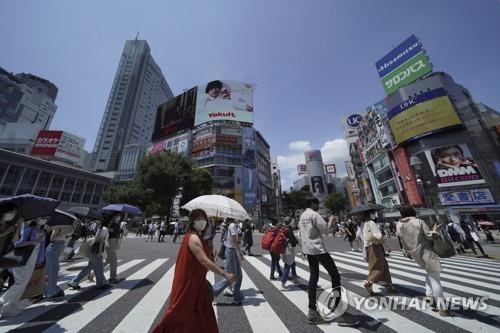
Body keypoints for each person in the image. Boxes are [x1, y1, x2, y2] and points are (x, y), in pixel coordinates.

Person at [152, 209, 236, 333]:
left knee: (202, 314)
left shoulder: (200, 238)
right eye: (198, 219)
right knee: (180, 313)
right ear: (192, 222)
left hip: (198, 283)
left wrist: (211, 254)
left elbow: (205, 259)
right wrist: (225, 274)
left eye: (203, 218)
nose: (201, 221)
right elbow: (203, 260)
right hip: (189, 283)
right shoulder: (193, 238)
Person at [298, 196, 359, 326]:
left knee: (313, 277)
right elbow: (326, 230)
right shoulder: (314, 215)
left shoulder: (302, 216)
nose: (318, 205)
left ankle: (312, 311)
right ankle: (338, 311)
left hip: (308, 249)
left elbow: (300, 233)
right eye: (317, 203)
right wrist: (331, 221)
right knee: (335, 275)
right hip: (318, 249)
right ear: (312, 203)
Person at [397, 206, 450, 317]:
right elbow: (430, 237)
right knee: (435, 279)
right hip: (427, 252)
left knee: (430, 274)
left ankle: (429, 296)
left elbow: (402, 241)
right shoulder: (418, 221)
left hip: (415, 254)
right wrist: (435, 230)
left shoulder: (399, 224)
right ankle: (442, 308)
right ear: (412, 212)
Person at [0, 218, 44, 318]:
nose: (44, 220)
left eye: (46, 219)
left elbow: (41, 248)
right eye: (42, 218)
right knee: (21, 282)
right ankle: (2, 301)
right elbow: (17, 244)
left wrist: (40, 260)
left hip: (33, 259)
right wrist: (32, 242)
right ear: (36, 219)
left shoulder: (42, 231)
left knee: (23, 284)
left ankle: (10, 307)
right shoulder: (29, 229)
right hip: (23, 259)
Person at [359, 211, 396, 296]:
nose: (374, 215)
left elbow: (360, 236)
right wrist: (386, 246)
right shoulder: (371, 223)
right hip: (375, 247)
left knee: (384, 265)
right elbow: (378, 236)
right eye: (373, 213)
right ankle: (369, 282)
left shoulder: (361, 224)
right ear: (369, 214)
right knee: (377, 267)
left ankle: (389, 285)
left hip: (368, 248)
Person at [68, 220, 109, 290]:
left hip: (92, 250)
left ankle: (74, 281)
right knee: (99, 268)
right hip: (96, 251)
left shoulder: (97, 227)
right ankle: (101, 284)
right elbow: (101, 241)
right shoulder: (104, 228)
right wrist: (100, 252)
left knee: (90, 267)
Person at [213, 218, 245, 305]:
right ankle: (212, 292)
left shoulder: (235, 225)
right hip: (231, 251)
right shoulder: (232, 225)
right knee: (232, 276)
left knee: (239, 275)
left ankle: (237, 296)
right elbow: (235, 242)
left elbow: (237, 240)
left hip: (232, 251)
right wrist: (241, 253)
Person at [45, 223, 73, 300]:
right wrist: (65, 236)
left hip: (58, 249)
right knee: (53, 271)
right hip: (52, 249)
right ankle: (51, 293)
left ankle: (52, 290)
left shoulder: (70, 226)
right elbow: (52, 238)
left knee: (54, 270)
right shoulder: (59, 226)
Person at [280, 219, 299, 290]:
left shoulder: (284, 229)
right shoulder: (289, 230)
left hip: (285, 249)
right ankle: (283, 284)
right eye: (293, 222)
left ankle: (295, 279)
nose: (294, 223)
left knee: (293, 264)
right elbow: (294, 240)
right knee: (287, 267)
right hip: (289, 250)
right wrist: (303, 246)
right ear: (290, 223)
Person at [105, 213, 121, 284]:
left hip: (112, 242)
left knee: (108, 260)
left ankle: (92, 274)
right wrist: (117, 230)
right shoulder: (112, 224)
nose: (119, 217)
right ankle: (112, 278)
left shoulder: (116, 224)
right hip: (111, 241)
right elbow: (110, 232)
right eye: (118, 216)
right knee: (114, 260)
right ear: (114, 216)